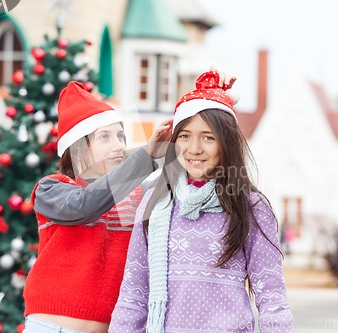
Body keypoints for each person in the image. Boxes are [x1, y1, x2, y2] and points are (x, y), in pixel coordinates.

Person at [109, 71, 294, 332]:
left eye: (208, 137)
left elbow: (272, 298)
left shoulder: (250, 207)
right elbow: (134, 294)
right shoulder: (156, 203)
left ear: (226, 143)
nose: (194, 148)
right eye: (184, 136)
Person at [22, 81, 173, 333]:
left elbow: (179, 177)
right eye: (105, 137)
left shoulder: (136, 193)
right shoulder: (50, 189)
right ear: (78, 149)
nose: (118, 145)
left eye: (121, 136)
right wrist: (146, 155)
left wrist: (203, 116)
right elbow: (86, 205)